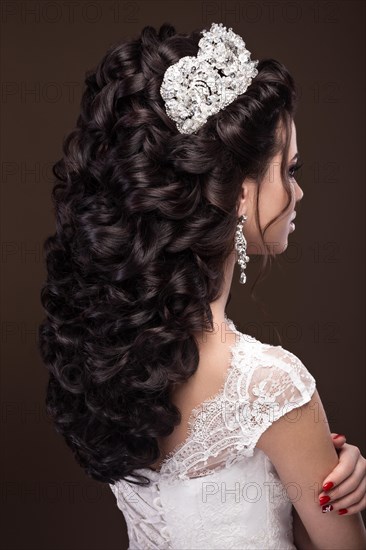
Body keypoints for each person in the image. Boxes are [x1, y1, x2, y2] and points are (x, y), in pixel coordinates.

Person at [38, 21, 366, 549]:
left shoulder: (117, 359)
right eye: (290, 170)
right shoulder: (272, 387)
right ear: (238, 193)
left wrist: (301, 478)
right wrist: (328, 488)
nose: (298, 193)